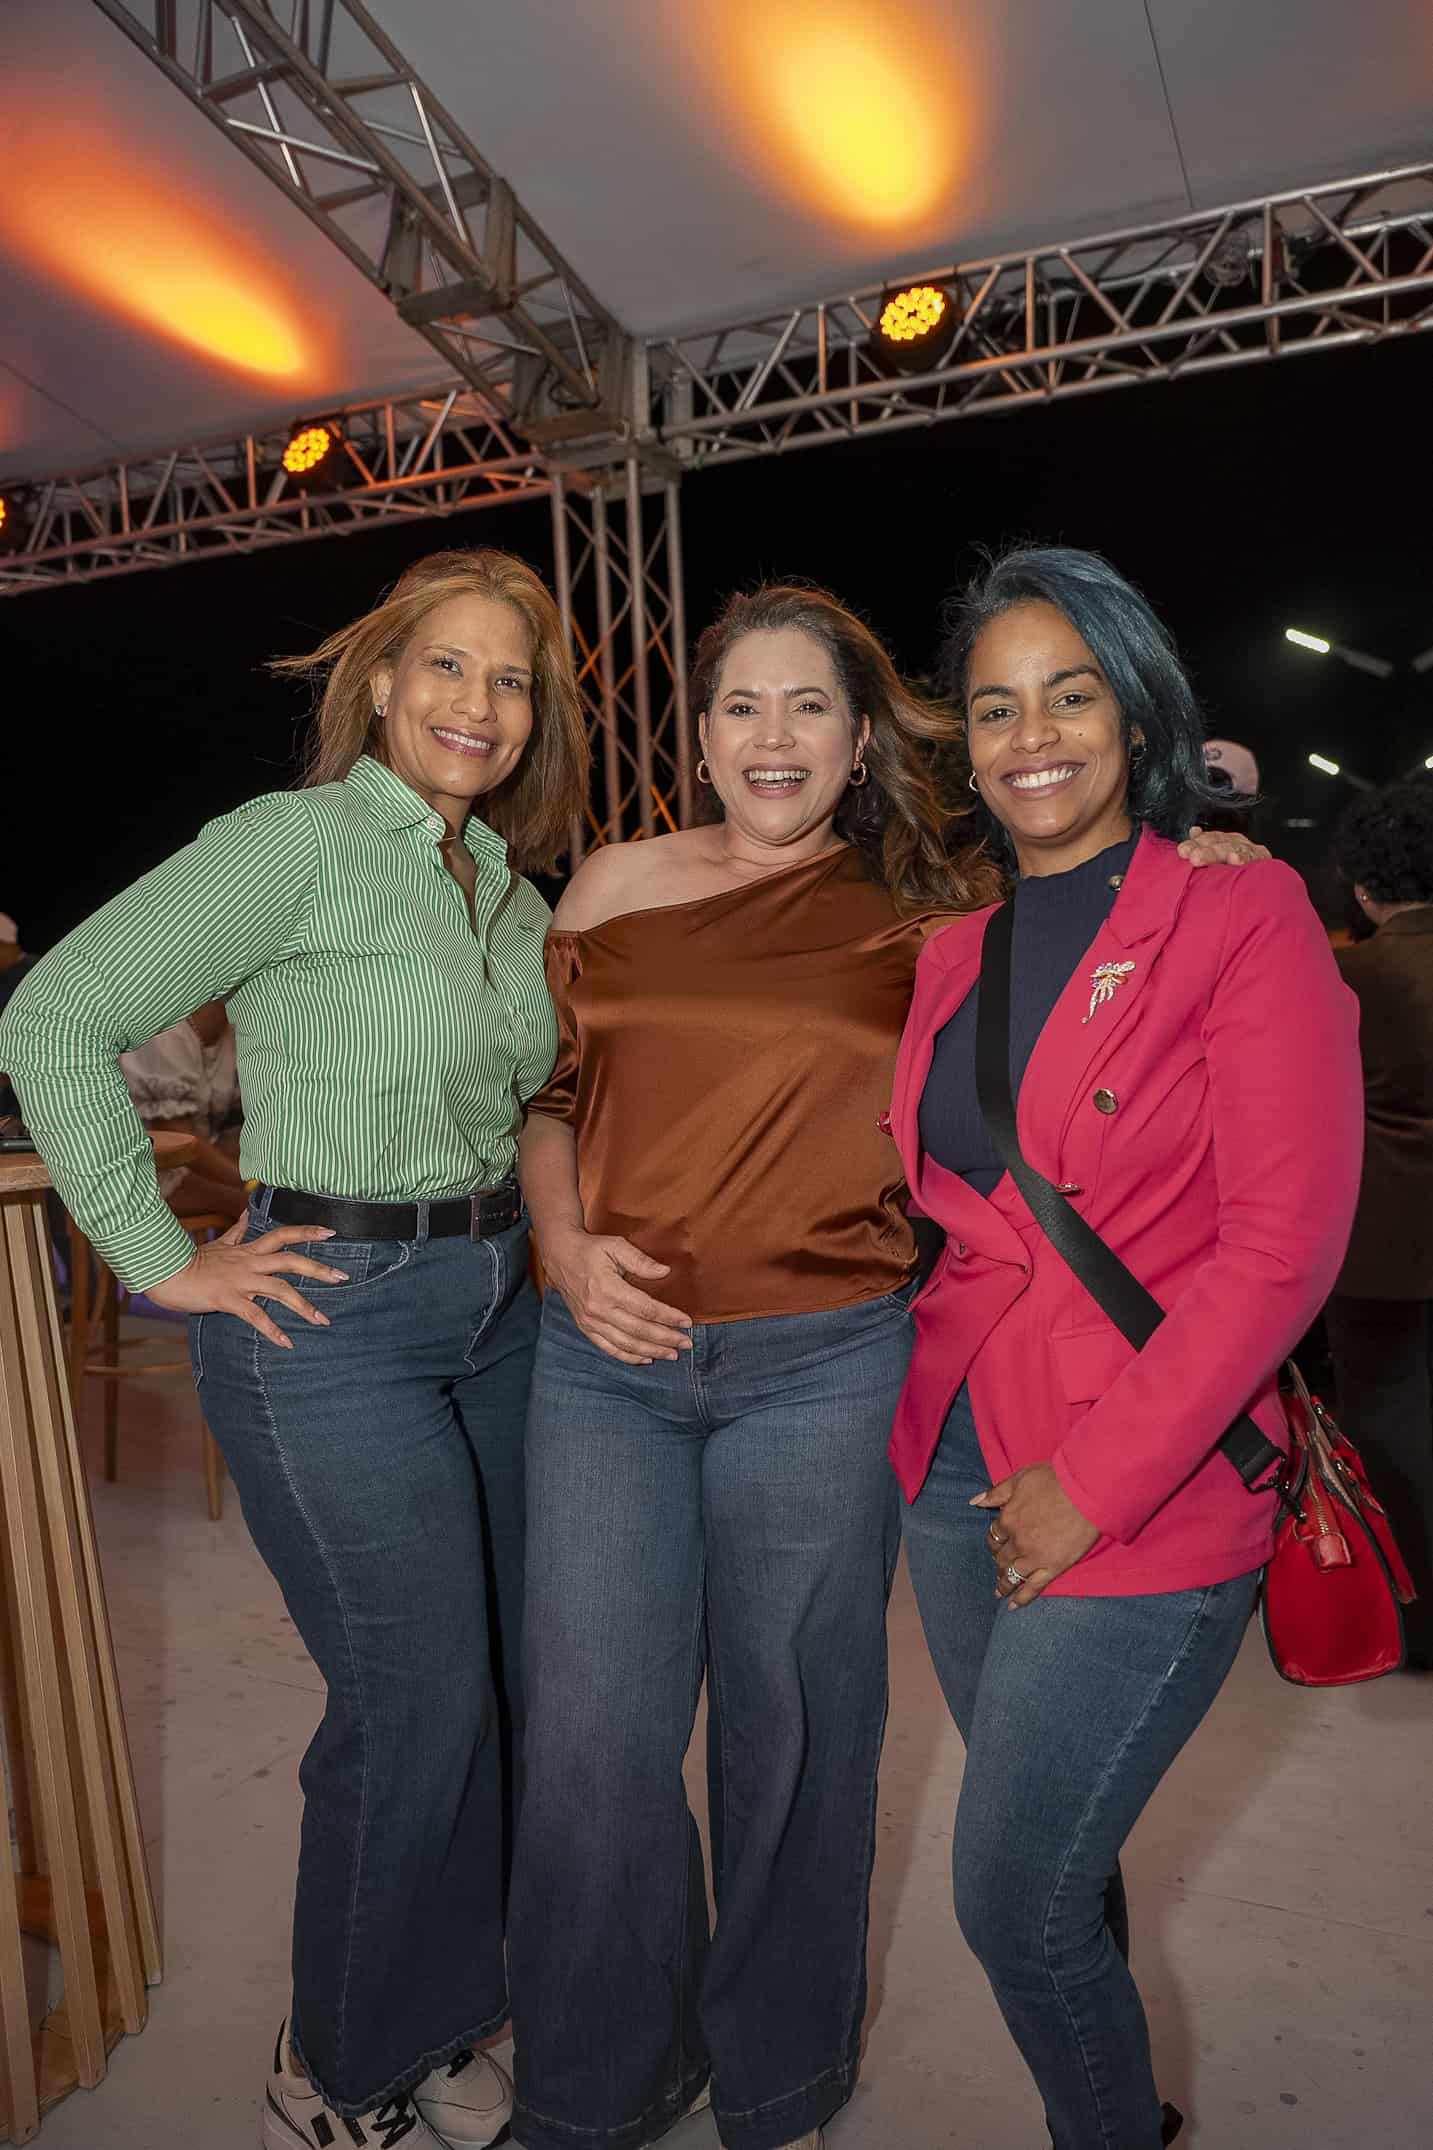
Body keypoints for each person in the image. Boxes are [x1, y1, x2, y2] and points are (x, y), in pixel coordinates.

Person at [505, 583, 1262, 2150]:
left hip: (824, 1360)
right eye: (737, 706)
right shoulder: (608, 884)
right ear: (699, 734)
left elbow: (1106, 905)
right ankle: (596, 2082)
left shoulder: (931, 910)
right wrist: (565, 1253)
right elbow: (554, 1101)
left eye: (806, 707)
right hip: (605, 1356)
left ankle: (778, 2076)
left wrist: (1213, 851)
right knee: (591, 1739)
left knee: (794, 1726)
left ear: (859, 741)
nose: (769, 736)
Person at [0, 548, 589, 2150]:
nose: (481, 703)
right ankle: (335, 2065)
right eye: (449, 668)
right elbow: (52, 1012)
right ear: (383, 685)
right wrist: (156, 1258)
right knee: (415, 1703)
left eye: (512, 679)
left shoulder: (516, 895)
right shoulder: (299, 842)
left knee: (498, 1692)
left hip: (497, 1311)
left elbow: (536, 1097)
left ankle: (443, 2005)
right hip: (328, 1321)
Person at [887, 546, 1363, 2150]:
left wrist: (1092, 1481)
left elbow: (1280, 1246)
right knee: (1061, 1863)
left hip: (1136, 1477)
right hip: (953, 1459)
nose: (1033, 733)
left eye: (1070, 692)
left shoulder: (1239, 906)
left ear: (1132, 706)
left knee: (1007, 1887)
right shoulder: (955, 946)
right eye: (997, 704)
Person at [1325, 781, 1433, 1671]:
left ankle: (1411, 1616)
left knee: (1386, 1427)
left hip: (1379, 1243)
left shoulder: (1347, 978)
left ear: (1361, 889)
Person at [120, 998, 247, 1223]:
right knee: (255, 1208)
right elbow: (178, 1141)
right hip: (142, 1172)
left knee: (273, 1201)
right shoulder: (162, 1031)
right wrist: (250, 1180)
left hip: (198, 1167)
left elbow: (237, 1129)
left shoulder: (232, 1031)